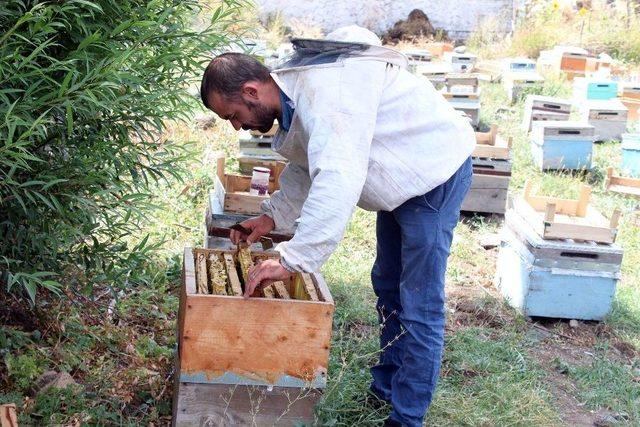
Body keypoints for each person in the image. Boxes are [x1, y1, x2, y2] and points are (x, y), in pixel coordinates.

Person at [199, 26, 474, 427]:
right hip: (400, 177)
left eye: (233, 116)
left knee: (418, 303)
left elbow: (337, 175)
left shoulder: (329, 96)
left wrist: (294, 259)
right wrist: (271, 215)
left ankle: (406, 418)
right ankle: (383, 394)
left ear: (252, 92)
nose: (236, 127)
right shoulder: (297, 95)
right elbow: (307, 161)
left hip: (433, 173)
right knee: (388, 285)